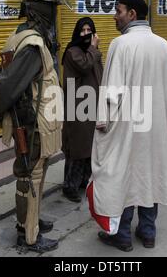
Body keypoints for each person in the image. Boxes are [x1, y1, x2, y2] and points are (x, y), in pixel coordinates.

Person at [0, 0, 71, 253]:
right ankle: (30, 237)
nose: (55, 13)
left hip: (33, 121)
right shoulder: (33, 43)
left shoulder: (20, 33)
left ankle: (28, 223)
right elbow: (10, 87)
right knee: (30, 179)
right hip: (33, 125)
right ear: (42, 8)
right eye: (53, 7)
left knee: (32, 176)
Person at [90, 0, 167, 252]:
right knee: (150, 172)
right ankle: (148, 233)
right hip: (155, 125)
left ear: (133, 14)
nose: (115, 16)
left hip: (127, 125)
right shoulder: (163, 45)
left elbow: (111, 90)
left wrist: (102, 122)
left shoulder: (121, 44)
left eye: (118, 11)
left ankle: (122, 236)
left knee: (123, 175)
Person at [61, 17, 103, 203]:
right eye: (83, 30)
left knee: (89, 148)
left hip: (92, 106)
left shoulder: (92, 53)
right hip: (78, 108)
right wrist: (94, 48)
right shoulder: (73, 52)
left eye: (89, 30)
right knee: (77, 149)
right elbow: (85, 66)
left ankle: (82, 182)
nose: (86, 34)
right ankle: (70, 186)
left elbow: (100, 75)